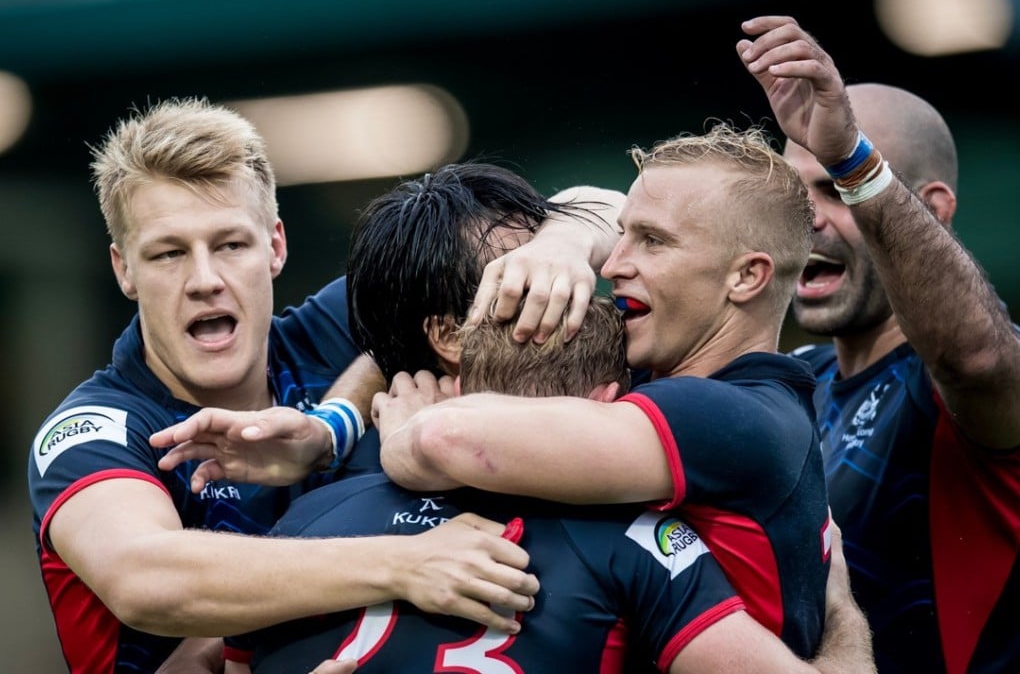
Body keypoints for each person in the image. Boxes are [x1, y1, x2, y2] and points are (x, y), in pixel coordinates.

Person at [26, 97, 541, 674]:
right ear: (125, 269)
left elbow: (564, 225)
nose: (204, 280)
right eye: (169, 253)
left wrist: (331, 427)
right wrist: (408, 563)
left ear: (275, 245)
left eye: (230, 245)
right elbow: (147, 579)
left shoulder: (331, 330)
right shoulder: (91, 429)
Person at [374, 122, 834, 660]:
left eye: (653, 241)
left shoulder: (733, 417)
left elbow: (444, 439)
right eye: (622, 235)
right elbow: (585, 201)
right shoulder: (707, 389)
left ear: (746, 277)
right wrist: (560, 244)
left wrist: (405, 429)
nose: (612, 265)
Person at [735, 15, 1020, 674]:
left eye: (833, 188)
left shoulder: (970, 385)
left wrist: (855, 160)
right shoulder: (782, 387)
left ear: (934, 207)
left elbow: (974, 357)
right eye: (791, 195)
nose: (805, 222)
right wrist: (570, 239)